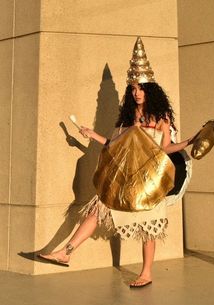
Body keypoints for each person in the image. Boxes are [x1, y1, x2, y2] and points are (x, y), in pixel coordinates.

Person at [39, 37, 195, 288]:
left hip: (151, 178)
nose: (136, 93)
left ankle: (146, 273)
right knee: (97, 207)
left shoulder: (162, 117)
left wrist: (188, 141)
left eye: (140, 88)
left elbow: (166, 148)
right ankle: (65, 252)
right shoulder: (129, 115)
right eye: (133, 88)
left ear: (150, 89)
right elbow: (114, 143)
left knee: (148, 227)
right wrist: (92, 135)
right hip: (127, 176)